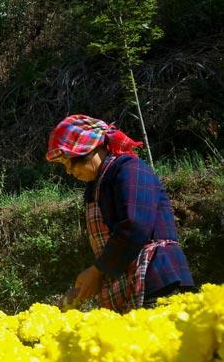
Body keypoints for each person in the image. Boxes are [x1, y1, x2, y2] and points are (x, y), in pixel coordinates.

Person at [46, 115, 195, 313]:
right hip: (131, 278)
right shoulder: (98, 184)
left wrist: (98, 271)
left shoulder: (129, 169)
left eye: (69, 163)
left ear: (90, 151)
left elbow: (135, 226)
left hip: (156, 276)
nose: (69, 172)